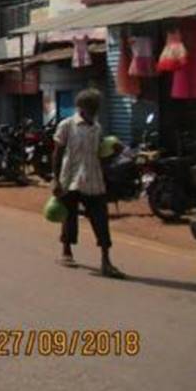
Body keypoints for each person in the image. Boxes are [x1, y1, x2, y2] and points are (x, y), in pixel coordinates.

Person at [52, 89, 125, 279]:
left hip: (94, 180)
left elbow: (100, 153)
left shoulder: (97, 128)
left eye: (94, 109)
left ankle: (106, 261)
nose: (91, 112)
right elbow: (57, 153)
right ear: (81, 108)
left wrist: (114, 151)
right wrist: (55, 179)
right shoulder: (67, 125)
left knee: (101, 219)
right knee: (69, 217)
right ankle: (66, 252)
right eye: (89, 108)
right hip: (70, 179)